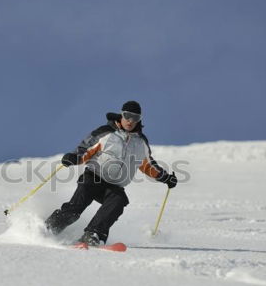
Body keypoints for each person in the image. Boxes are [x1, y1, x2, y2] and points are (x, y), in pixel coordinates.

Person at [45, 100, 177, 246]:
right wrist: (74, 158)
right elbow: (85, 149)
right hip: (94, 177)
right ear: (121, 115)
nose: (130, 120)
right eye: (127, 115)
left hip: (115, 185)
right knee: (75, 208)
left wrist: (164, 177)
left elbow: (148, 164)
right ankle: (49, 228)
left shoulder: (141, 142)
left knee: (118, 201)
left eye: (135, 118)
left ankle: (93, 234)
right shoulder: (105, 132)